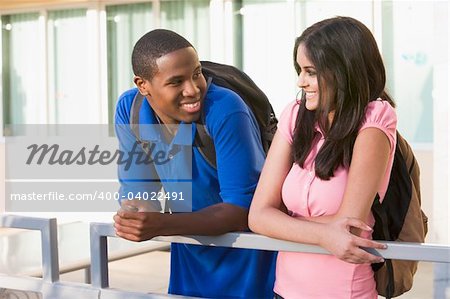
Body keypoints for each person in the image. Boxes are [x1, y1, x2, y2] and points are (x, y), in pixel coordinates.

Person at [112, 29, 276, 298]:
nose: (193, 89)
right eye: (176, 81)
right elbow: (140, 193)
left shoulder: (225, 107)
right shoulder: (130, 109)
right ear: (143, 85)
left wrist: (160, 224)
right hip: (189, 257)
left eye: (197, 73)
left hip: (251, 261)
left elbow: (241, 210)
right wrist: (135, 213)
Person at [248, 16, 397, 299]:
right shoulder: (294, 115)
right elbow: (257, 216)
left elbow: (349, 226)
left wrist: (283, 221)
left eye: (311, 71)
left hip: (343, 291)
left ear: (344, 70)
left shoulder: (374, 119)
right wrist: (325, 232)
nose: (300, 81)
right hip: (284, 290)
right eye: (300, 70)